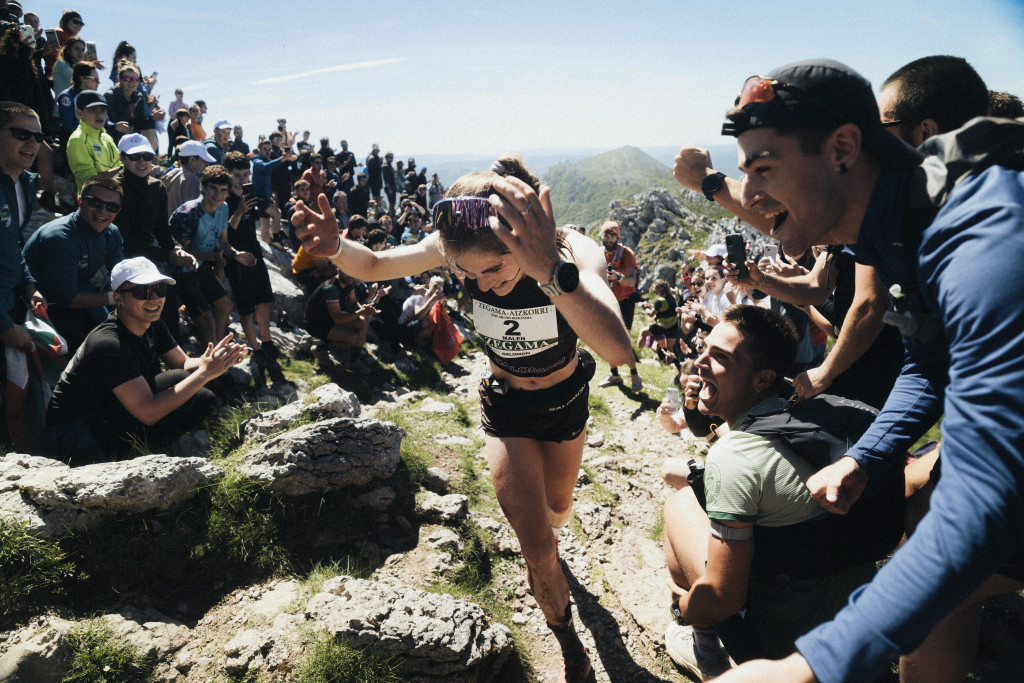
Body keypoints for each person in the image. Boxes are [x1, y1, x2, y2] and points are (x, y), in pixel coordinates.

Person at [710, 59, 1024, 683]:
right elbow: (929, 363)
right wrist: (866, 458)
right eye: (744, 172)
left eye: (764, 169)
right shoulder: (903, 225)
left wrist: (811, 666)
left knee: (937, 546)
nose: (748, 196)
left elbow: (987, 493)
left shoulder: (977, 243)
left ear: (843, 149)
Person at [293, 155, 633, 682]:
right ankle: (569, 643)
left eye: (495, 270)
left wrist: (548, 272)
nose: (484, 286)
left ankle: (556, 552)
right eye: (466, 275)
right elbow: (377, 264)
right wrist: (337, 247)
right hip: (506, 406)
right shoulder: (455, 245)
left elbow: (618, 351)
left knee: (559, 509)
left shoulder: (571, 250)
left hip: (564, 402)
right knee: (536, 544)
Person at [660, 305, 902, 680]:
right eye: (704, 348)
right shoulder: (809, 413)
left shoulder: (734, 456)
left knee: (680, 505)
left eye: (720, 357)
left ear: (762, 379)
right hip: (858, 633)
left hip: (784, 650)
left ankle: (706, 651)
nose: (700, 362)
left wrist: (683, 609)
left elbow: (724, 598)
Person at [42, 256, 246, 464]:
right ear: (118, 298)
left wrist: (214, 361)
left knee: (201, 397)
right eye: (143, 292)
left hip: (108, 413)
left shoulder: (151, 323)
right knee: (185, 386)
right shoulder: (108, 344)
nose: (154, 298)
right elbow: (148, 412)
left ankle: (155, 450)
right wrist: (206, 372)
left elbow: (182, 363)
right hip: (75, 435)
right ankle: (138, 458)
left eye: (160, 289)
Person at [23, 176, 124, 351]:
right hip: (42, 301)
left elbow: (121, 275)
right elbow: (65, 298)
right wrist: (116, 297)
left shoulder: (111, 232)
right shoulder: (61, 238)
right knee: (86, 340)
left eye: (111, 207)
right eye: (95, 203)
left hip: (78, 287)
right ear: (80, 201)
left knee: (119, 324)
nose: (102, 211)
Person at [113, 133, 195, 341]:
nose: (142, 162)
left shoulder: (157, 186)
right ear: (122, 157)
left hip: (150, 255)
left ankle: (173, 354)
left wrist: (175, 250)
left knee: (167, 309)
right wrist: (168, 255)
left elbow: (161, 228)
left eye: (147, 156)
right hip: (121, 258)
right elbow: (125, 240)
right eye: (135, 157)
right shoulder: (115, 189)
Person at [222, 151, 280, 366]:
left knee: (263, 300)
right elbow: (226, 232)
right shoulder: (225, 199)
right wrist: (239, 211)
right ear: (228, 174)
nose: (242, 179)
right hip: (237, 258)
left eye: (246, 175)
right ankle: (255, 348)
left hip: (254, 252)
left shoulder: (248, 195)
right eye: (237, 175)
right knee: (246, 307)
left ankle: (267, 342)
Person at [169, 165, 236, 348]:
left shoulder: (223, 208)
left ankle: (219, 350)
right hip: (181, 271)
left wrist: (236, 254)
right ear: (203, 187)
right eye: (213, 188)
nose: (218, 194)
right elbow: (181, 252)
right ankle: (212, 360)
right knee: (206, 318)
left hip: (203, 266)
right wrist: (213, 258)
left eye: (223, 190)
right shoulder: (189, 213)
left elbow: (223, 242)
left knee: (225, 306)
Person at [0, 101, 47, 354]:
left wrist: (29, 286)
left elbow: (13, 241)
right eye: (21, 134)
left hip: (10, 304)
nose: (32, 144)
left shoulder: (26, 183)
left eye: (38, 137)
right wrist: (5, 326)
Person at [596, 220, 642, 391]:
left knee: (624, 340)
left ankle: (634, 375)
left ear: (618, 236)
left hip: (625, 301)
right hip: (608, 299)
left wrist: (618, 277)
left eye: (612, 235)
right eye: (606, 235)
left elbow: (631, 281)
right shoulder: (599, 253)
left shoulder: (626, 254)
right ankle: (614, 374)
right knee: (608, 338)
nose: (609, 239)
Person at [65, 90, 121, 193]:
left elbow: (120, 164)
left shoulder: (107, 137)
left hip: (115, 195)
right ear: (80, 113)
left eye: (103, 110)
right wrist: (124, 169)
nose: (99, 115)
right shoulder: (77, 139)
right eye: (93, 110)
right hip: (93, 199)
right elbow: (89, 180)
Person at [161, 139, 214, 217]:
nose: (207, 163)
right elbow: (192, 212)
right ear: (192, 159)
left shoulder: (173, 173)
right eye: (203, 159)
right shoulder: (191, 179)